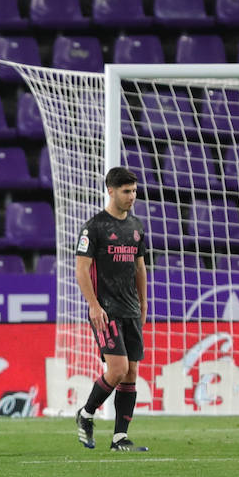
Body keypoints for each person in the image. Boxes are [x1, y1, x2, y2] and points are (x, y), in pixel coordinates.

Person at [75, 166, 149, 452]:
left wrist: (143, 302)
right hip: (105, 310)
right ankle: (86, 414)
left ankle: (120, 438)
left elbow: (139, 268)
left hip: (130, 308)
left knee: (131, 372)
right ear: (111, 191)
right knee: (117, 369)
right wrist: (93, 305)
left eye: (134, 191)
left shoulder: (136, 227)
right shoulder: (94, 227)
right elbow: (81, 269)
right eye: (126, 191)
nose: (132, 196)